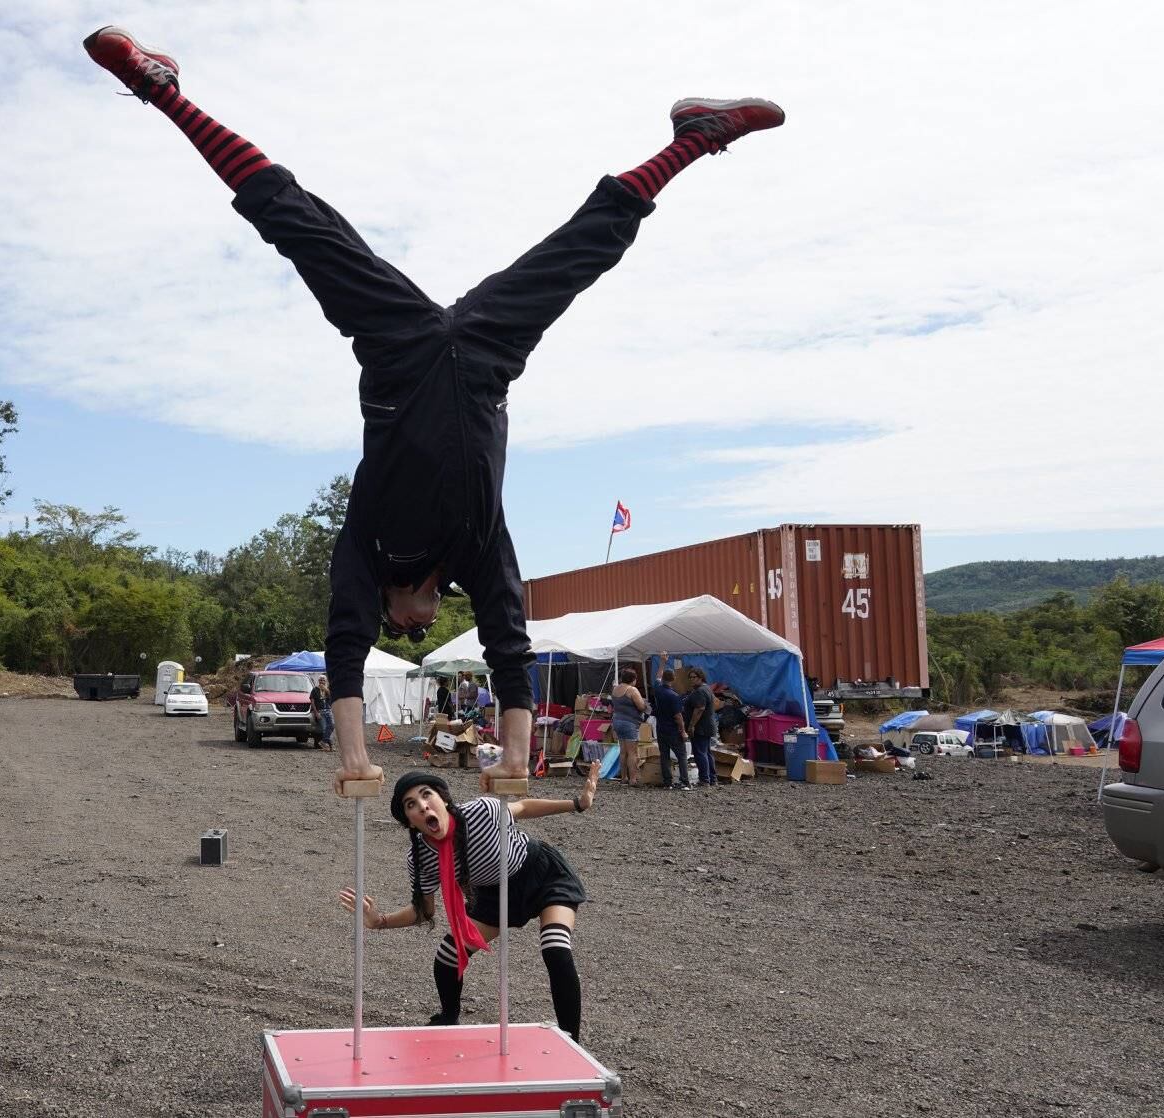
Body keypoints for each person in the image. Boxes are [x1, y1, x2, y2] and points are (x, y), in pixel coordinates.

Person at [83, 27, 783, 798]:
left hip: (400, 352)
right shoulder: (476, 550)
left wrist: (353, 756)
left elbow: (345, 649)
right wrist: (514, 759)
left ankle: (162, 91)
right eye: (415, 631)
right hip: (484, 361)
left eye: (398, 626)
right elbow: (509, 646)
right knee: (587, 247)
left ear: (385, 599)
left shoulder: (366, 542)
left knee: (296, 224)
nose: (413, 628)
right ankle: (693, 138)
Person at [338, 767, 601, 1039]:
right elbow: (424, 911)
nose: (423, 806)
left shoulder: (482, 812)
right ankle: (449, 1018)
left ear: (443, 799)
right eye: (411, 805)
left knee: (555, 948)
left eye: (426, 795)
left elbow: (523, 807)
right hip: (491, 895)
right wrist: (379, 921)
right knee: (447, 958)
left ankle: (572, 1040)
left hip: (542, 875)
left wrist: (577, 803)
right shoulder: (421, 857)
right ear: (410, 822)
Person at [652, 670, 690, 790]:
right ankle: (684, 781)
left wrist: (662, 663)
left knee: (664, 755)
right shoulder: (674, 696)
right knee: (682, 755)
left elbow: (657, 677)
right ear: (673, 679)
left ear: (663, 678)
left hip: (660, 727)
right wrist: (683, 731)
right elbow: (678, 716)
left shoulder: (657, 690)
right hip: (673, 730)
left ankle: (667, 782)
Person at [683, 667, 719, 789]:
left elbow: (699, 709)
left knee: (700, 753)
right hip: (707, 725)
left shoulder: (700, 691)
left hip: (701, 727)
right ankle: (712, 779)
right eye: (690, 677)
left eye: (694, 677)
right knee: (707, 752)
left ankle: (704, 780)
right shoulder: (706, 688)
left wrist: (692, 725)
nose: (692, 680)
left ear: (701, 677)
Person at [609, 668, 647, 750]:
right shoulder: (632, 690)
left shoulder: (615, 689)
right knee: (632, 752)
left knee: (623, 751)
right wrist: (645, 703)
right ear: (633, 679)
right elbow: (641, 707)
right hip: (629, 723)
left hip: (617, 721)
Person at [309, 675, 335, 751]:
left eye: (323, 680)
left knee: (331, 726)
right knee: (324, 729)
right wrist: (316, 713)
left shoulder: (328, 689)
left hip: (328, 710)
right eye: (320, 680)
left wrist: (326, 689)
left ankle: (323, 742)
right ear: (318, 681)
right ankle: (329, 746)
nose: (322, 681)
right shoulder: (315, 689)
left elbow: (332, 697)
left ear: (326, 681)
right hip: (320, 711)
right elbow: (312, 702)